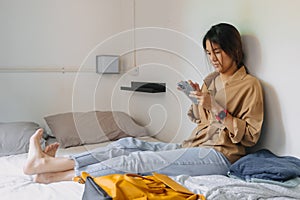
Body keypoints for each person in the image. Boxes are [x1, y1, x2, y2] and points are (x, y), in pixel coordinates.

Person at [23, 23, 264, 184]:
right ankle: (52, 164)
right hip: (193, 145)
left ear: (234, 49)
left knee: (136, 161)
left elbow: (250, 136)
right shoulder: (211, 79)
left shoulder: (249, 85)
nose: (212, 59)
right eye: (209, 53)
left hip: (219, 156)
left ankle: (56, 175)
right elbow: (203, 120)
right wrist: (195, 98)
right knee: (127, 144)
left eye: (218, 52)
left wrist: (213, 106)